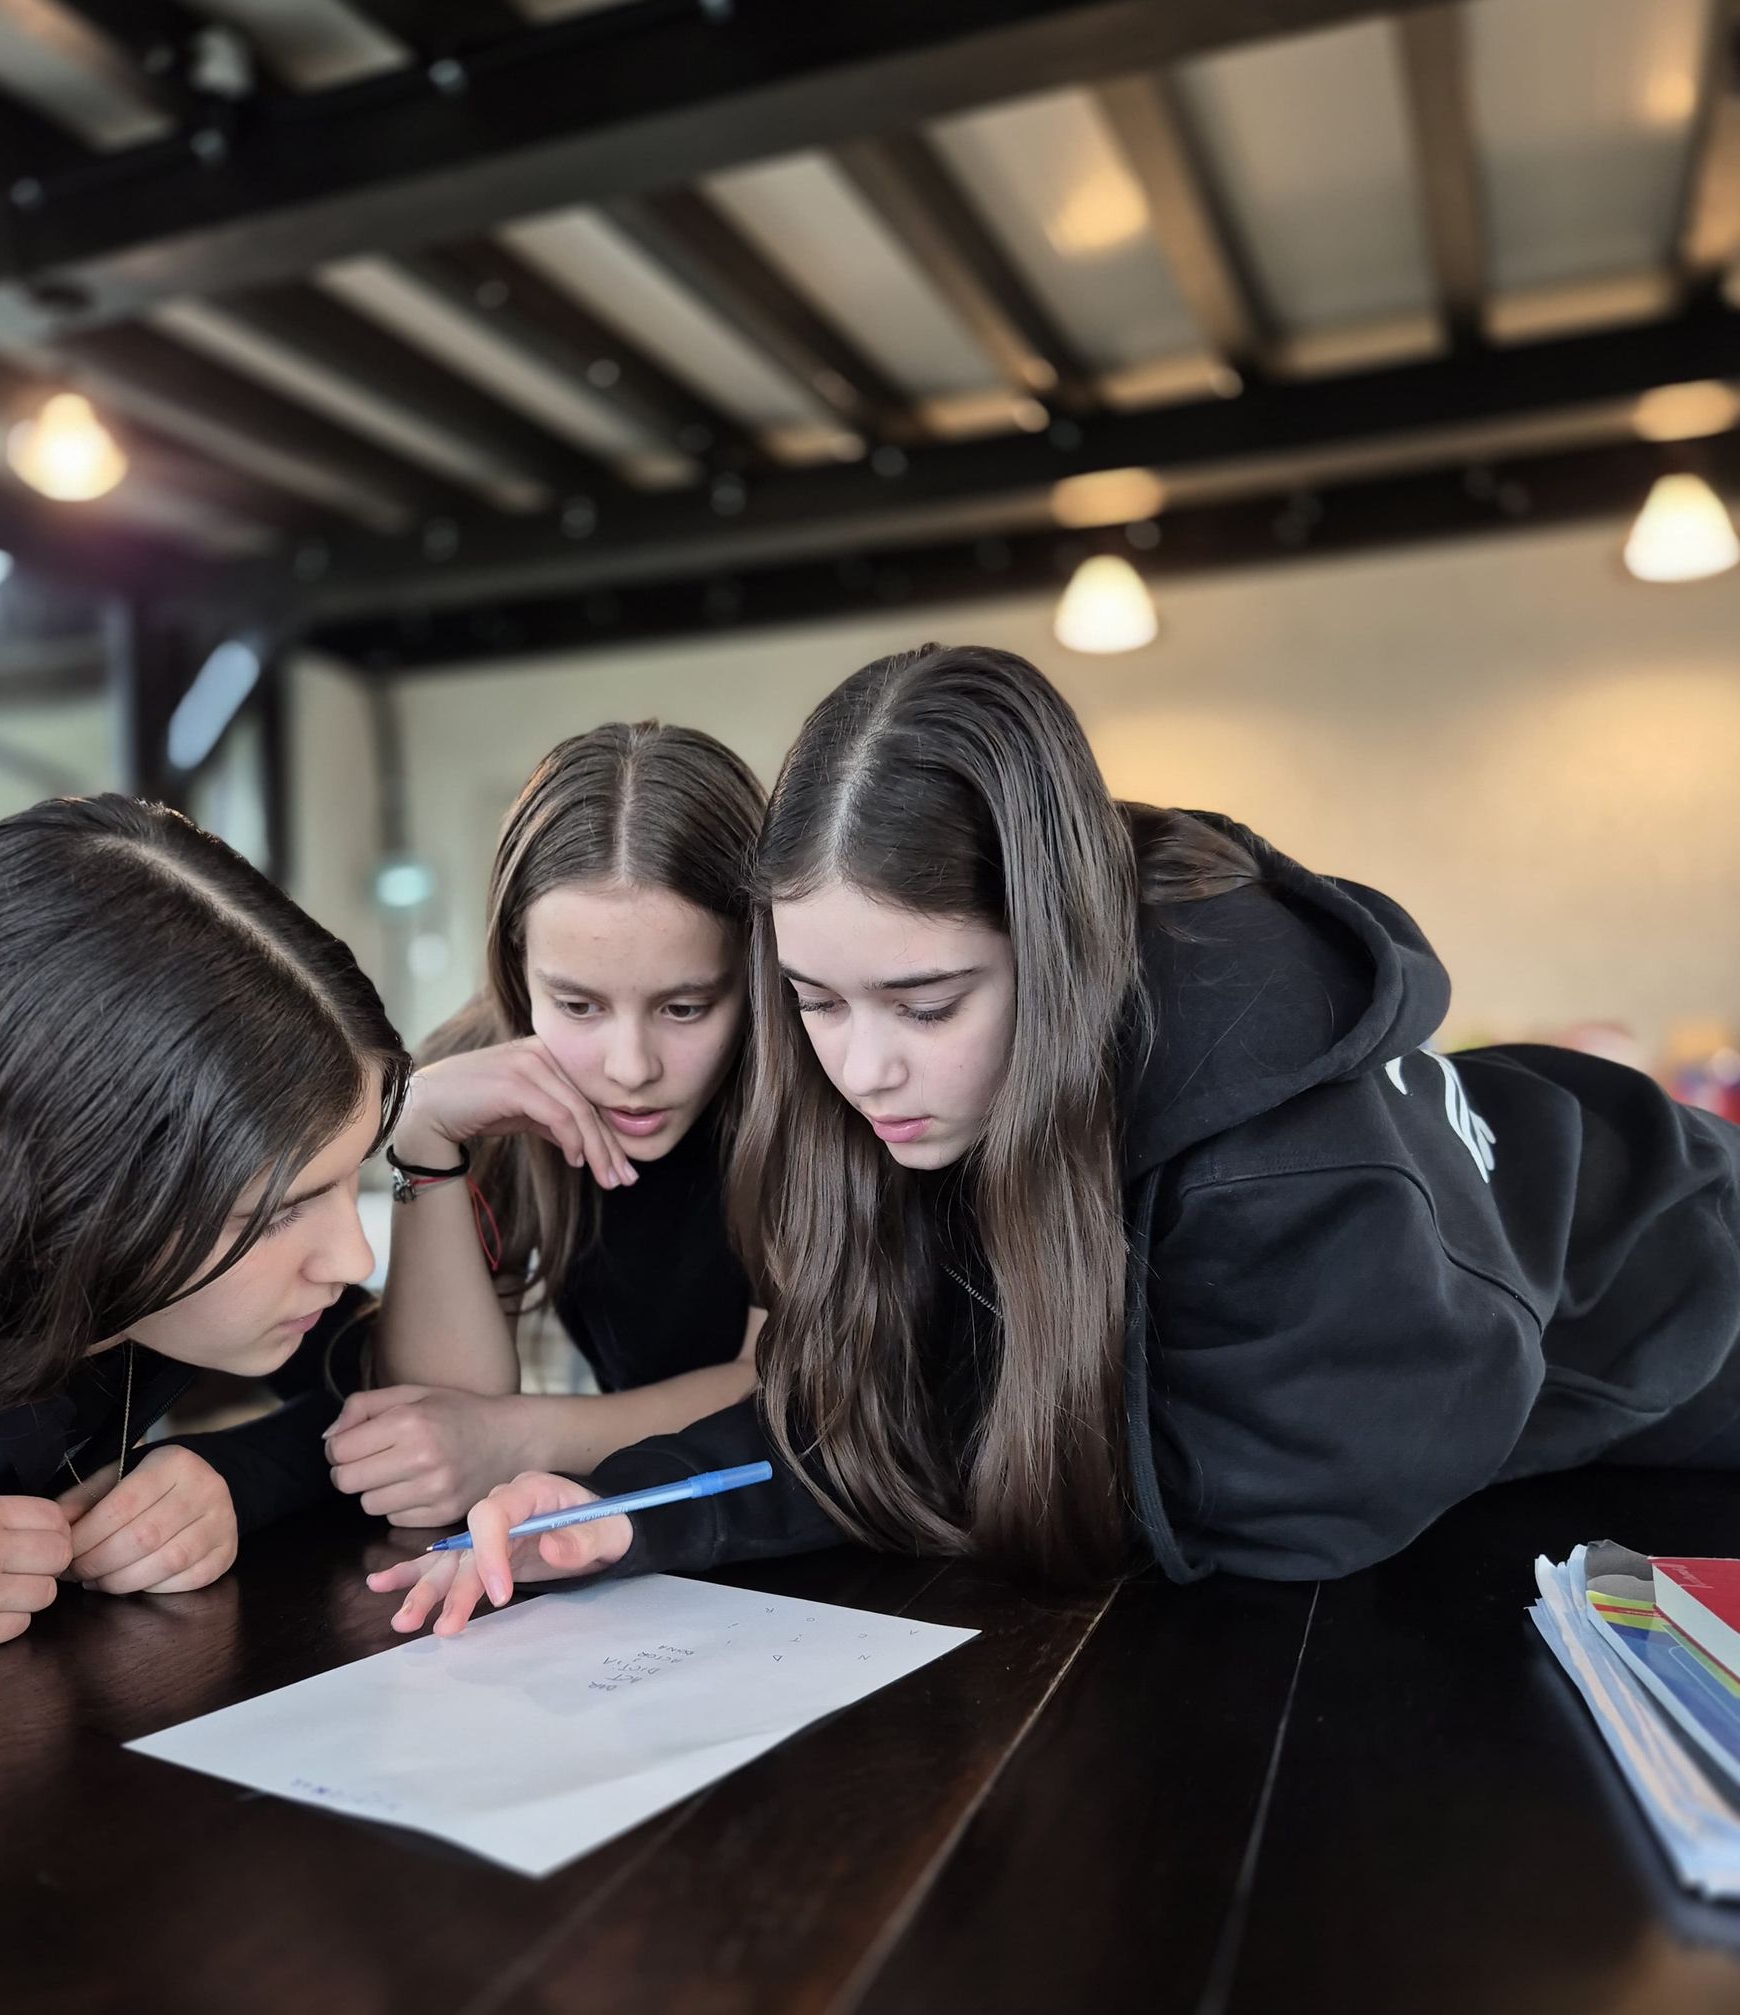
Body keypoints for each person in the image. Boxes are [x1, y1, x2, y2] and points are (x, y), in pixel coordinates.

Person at [373, 641, 1740, 1635]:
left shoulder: (1288, 1165)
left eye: (925, 1001)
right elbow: (888, 1410)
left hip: (1695, 1335)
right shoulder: (904, 1100)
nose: (861, 1068)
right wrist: (645, 1507)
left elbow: (1311, 1501)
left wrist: (843, 1464)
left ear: (1056, 952)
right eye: (814, 1002)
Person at [0, 794, 431, 1659]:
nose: (351, 1256)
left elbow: (390, 1402)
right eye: (275, 1213)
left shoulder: (171, 1267)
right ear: (77, 1184)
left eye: (348, 1183)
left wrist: (233, 1475)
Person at [324, 720, 768, 1527]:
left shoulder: (811, 1086)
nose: (631, 1066)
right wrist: (420, 1137)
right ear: (515, 969)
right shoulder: (478, 1082)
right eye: (578, 1005)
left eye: (685, 1006)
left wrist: (523, 1436)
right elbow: (442, 1427)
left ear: (755, 975)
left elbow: (782, 1387)